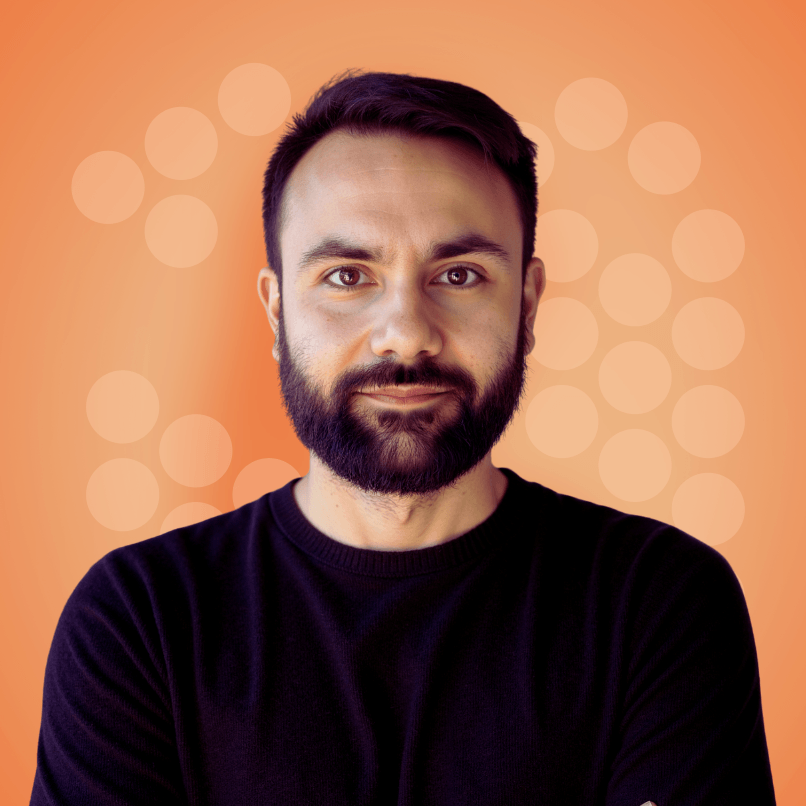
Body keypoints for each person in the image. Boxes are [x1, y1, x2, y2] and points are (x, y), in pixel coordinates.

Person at [30, 71, 776, 805]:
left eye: (459, 275)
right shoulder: (141, 620)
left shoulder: (658, 603)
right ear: (277, 310)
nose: (406, 334)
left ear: (527, 304)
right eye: (347, 276)